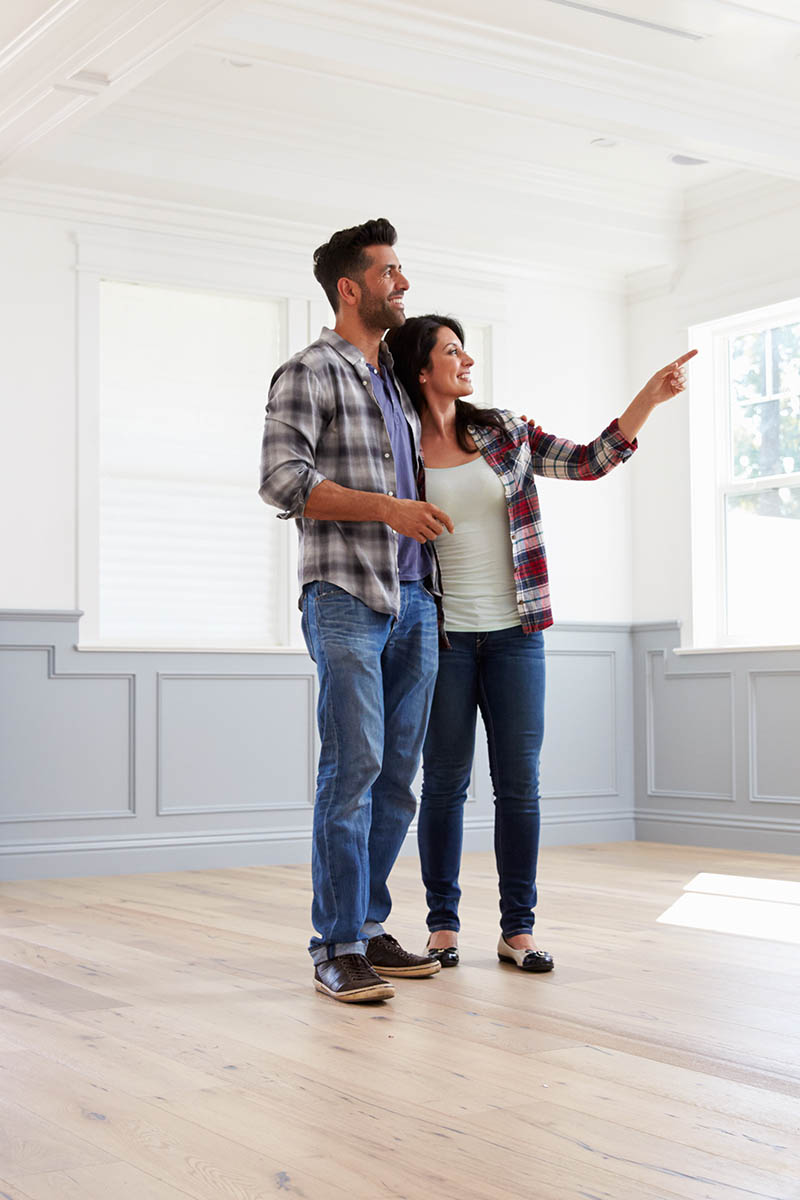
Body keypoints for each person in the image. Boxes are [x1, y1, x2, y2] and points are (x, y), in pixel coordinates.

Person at [386, 314, 695, 972]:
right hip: (440, 638)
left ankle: (517, 930)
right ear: (422, 369)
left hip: (516, 635)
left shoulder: (504, 431)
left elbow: (587, 462)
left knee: (519, 786)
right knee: (442, 785)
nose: (467, 360)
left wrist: (647, 399)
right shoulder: (397, 447)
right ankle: (442, 926)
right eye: (452, 351)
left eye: (466, 349)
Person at [259, 221, 454, 1003]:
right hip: (345, 595)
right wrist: (386, 509)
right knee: (354, 769)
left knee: (398, 778)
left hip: (416, 600)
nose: (402, 283)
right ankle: (335, 946)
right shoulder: (308, 372)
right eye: (389, 272)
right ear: (350, 287)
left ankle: (369, 927)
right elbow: (281, 480)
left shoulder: (395, 386)